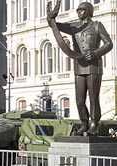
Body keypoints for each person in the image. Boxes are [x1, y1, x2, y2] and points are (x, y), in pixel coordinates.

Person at [47, 2, 113, 136]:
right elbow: (55, 26)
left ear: (88, 11)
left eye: (82, 10)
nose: (79, 13)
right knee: (79, 99)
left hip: (94, 66)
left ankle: (94, 125)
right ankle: (84, 124)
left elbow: (109, 44)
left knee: (94, 98)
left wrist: (95, 53)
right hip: (79, 66)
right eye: (78, 11)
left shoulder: (97, 25)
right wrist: (51, 18)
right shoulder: (73, 27)